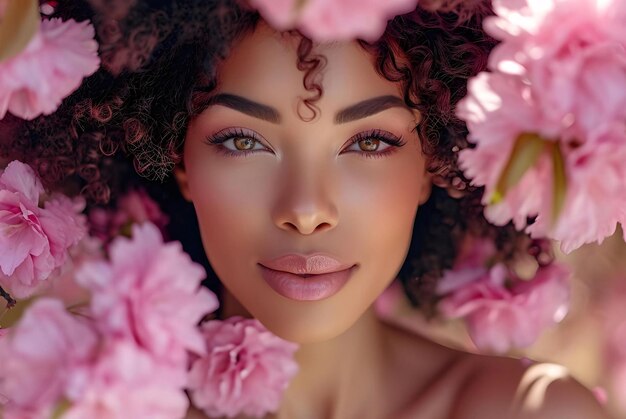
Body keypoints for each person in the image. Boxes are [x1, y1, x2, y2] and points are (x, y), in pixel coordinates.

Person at [0, 0, 612, 418]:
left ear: (435, 162)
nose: (306, 210)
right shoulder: (76, 400)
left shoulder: (532, 412)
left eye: (371, 141)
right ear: (178, 158)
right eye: (242, 140)